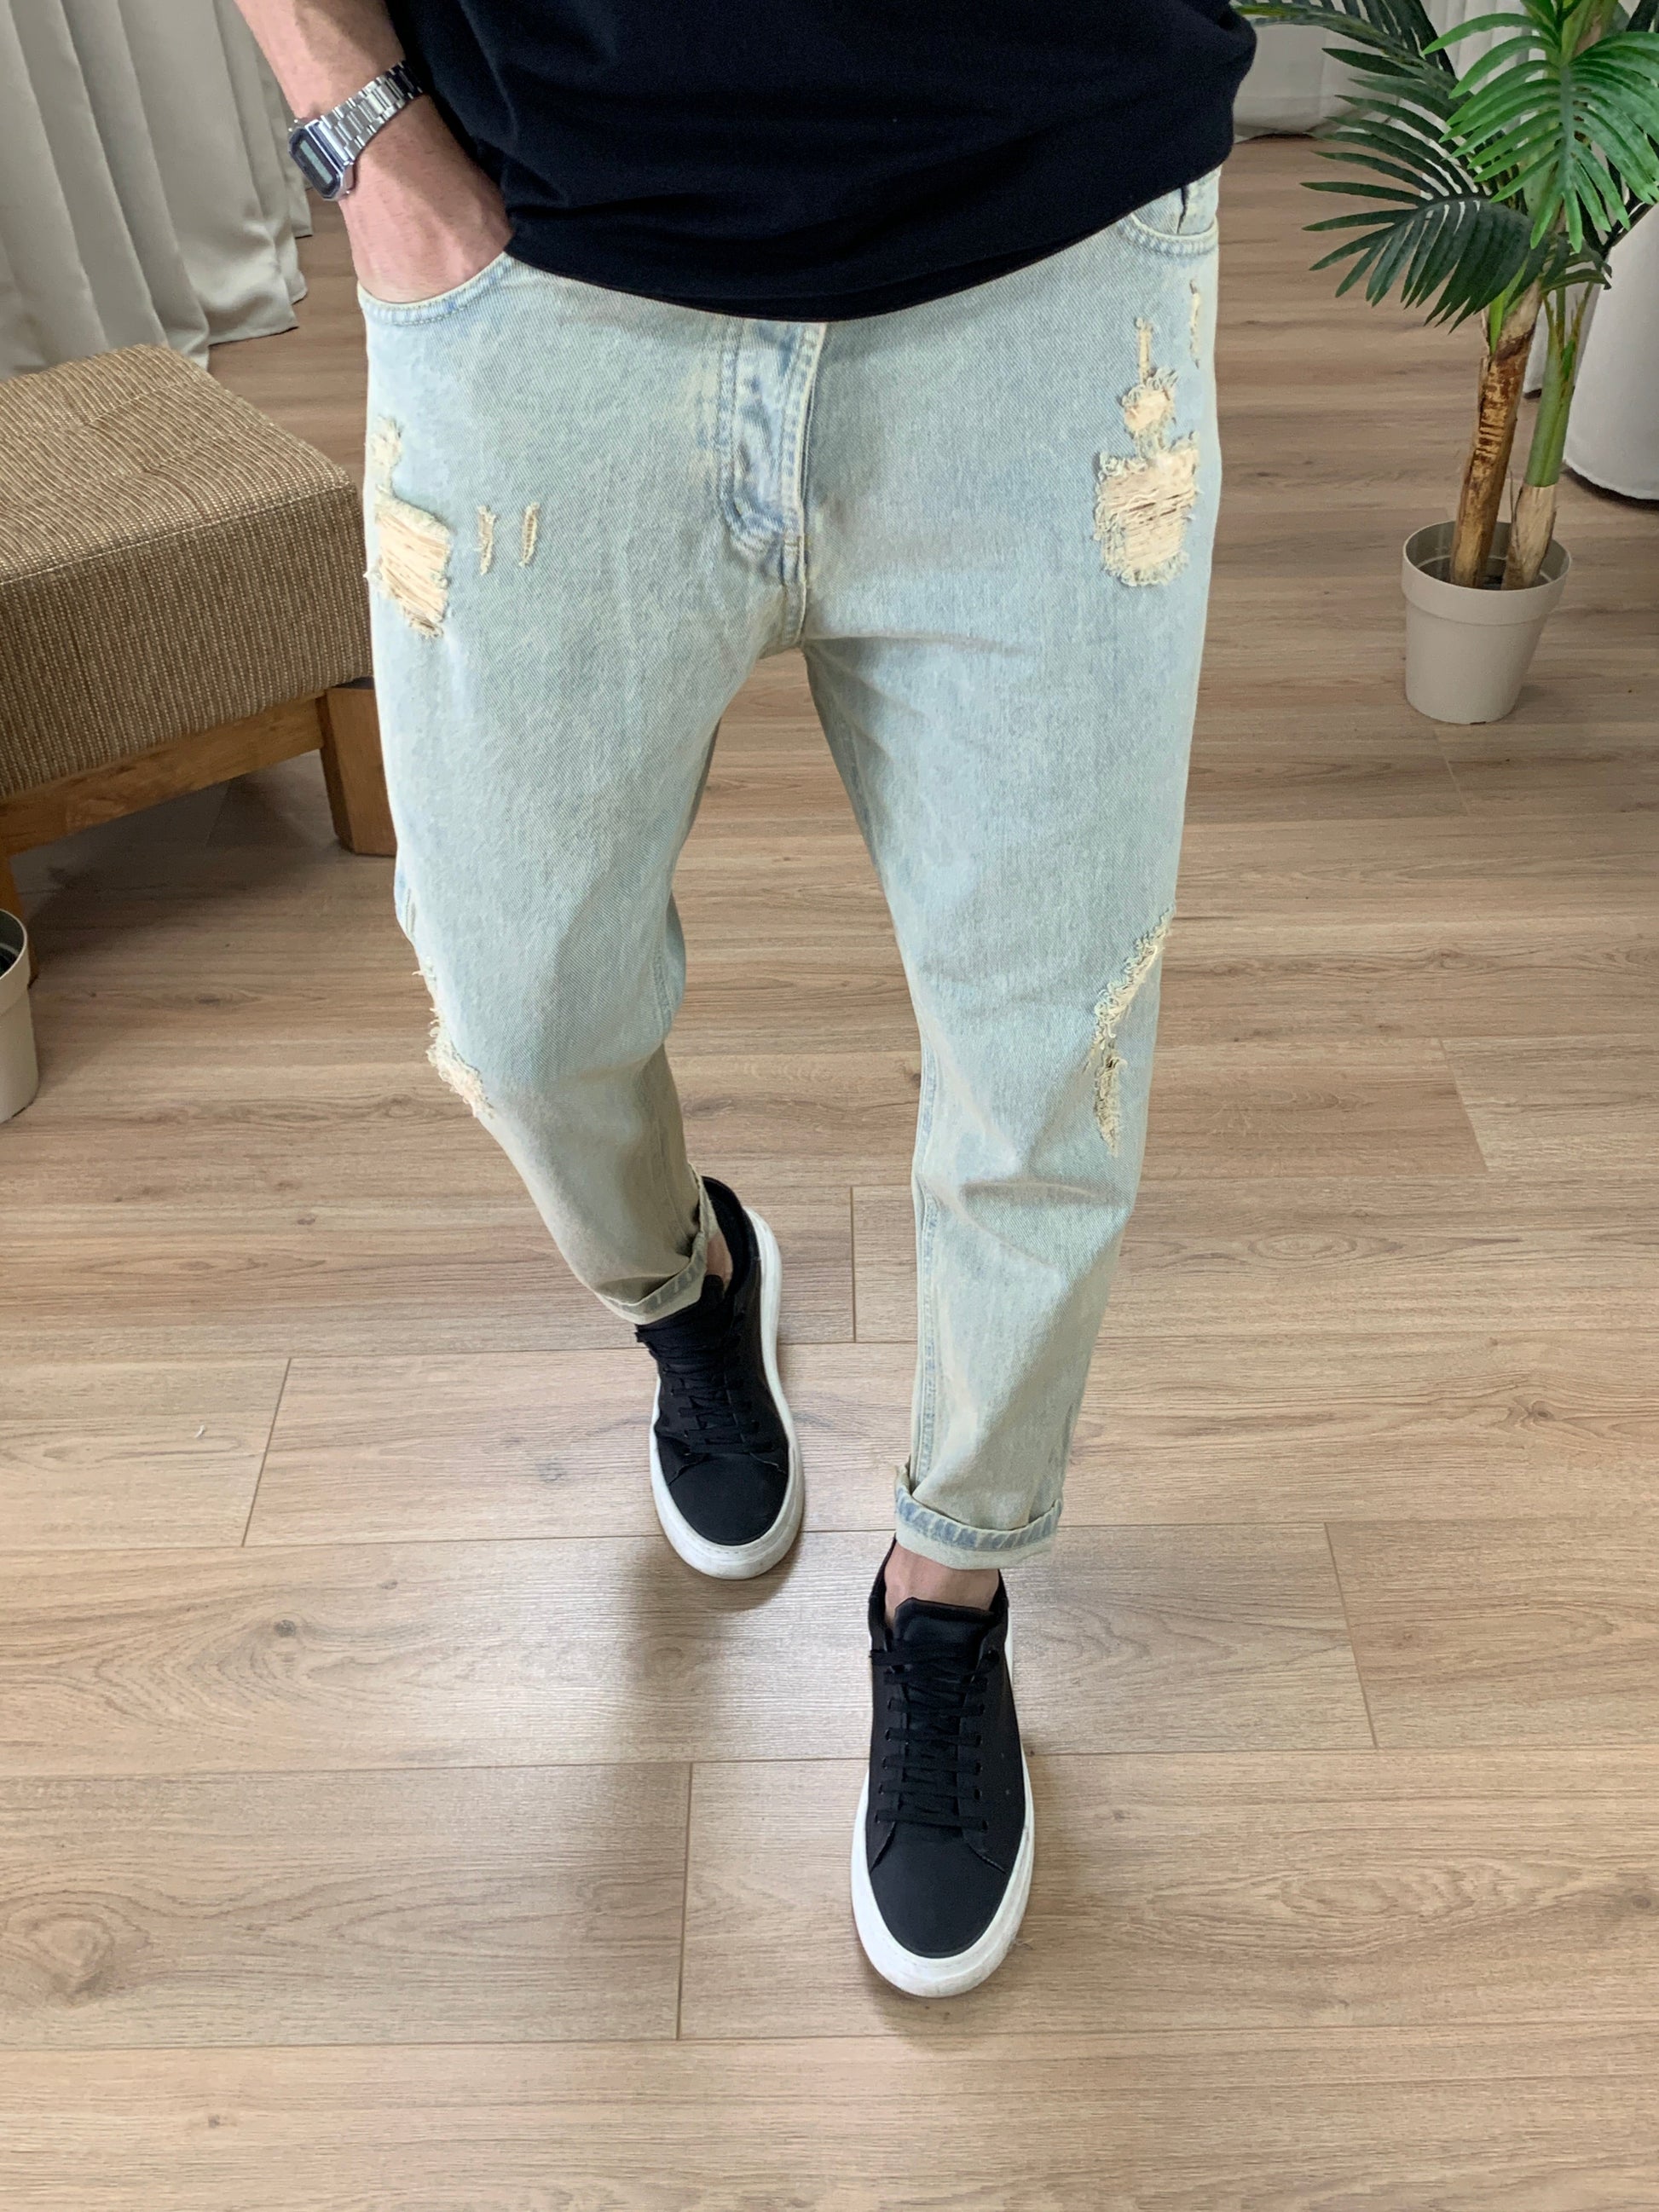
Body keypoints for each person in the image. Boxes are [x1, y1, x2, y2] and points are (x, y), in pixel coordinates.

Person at [236, 0, 1253, 1998]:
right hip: (546, 268)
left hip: (1056, 257)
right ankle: (685, 1289)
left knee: (1052, 1054)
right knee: (518, 1001)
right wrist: (362, 132)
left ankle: (949, 1586)